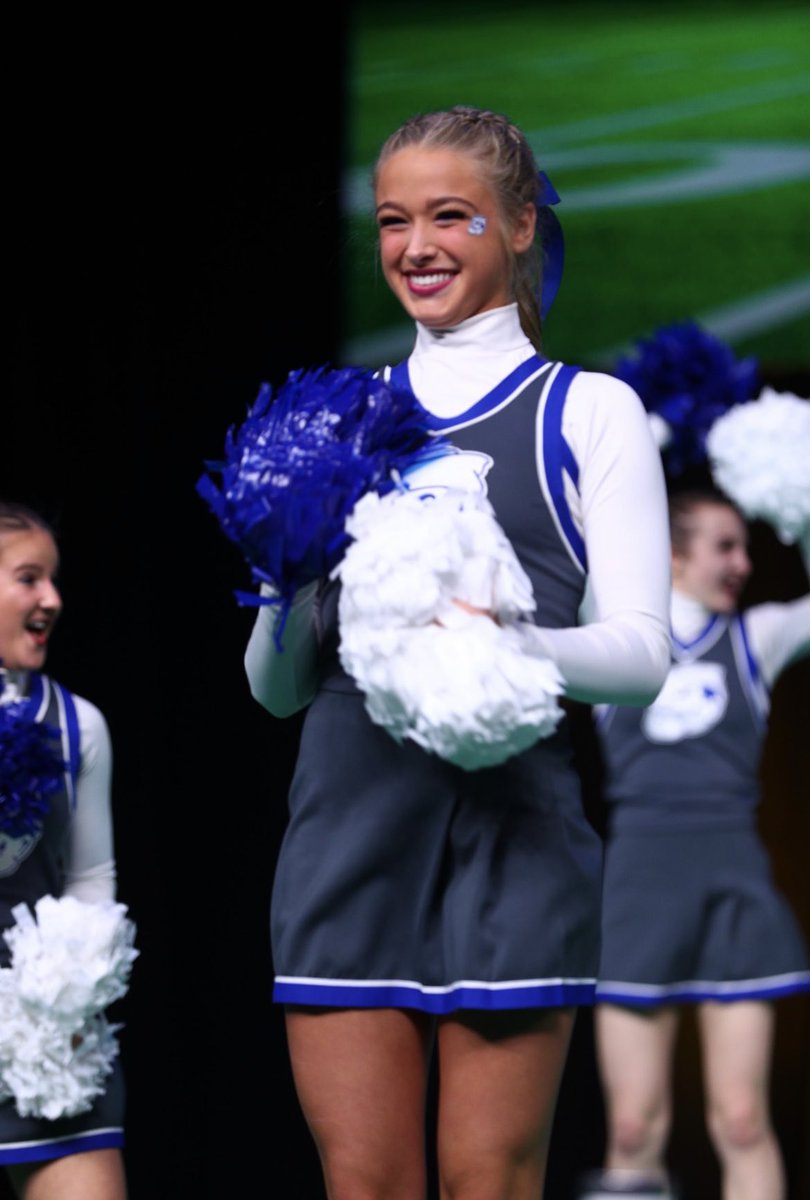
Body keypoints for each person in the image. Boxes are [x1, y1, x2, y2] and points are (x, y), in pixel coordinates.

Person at [244, 106, 671, 1200]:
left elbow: (640, 656)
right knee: (366, 1184)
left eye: (451, 216)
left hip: (514, 839)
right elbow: (277, 691)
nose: (416, 247)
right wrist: (285, 578)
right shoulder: (336, 417)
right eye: (393, 221)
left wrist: (493, 643)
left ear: (522, 225)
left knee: (491, 1183)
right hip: (347, 839)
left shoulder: (589, 412)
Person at [589, 489, 810, 1200]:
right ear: (674, 555)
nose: (744, 564)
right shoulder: (612, 635)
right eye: (725, 546)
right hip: (636, 898)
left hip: (733, 894)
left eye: (747, 547)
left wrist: (801, 505)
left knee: (743, 1119)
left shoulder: (757, 639)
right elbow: (578, 546)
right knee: (631, 1127)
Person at [0, 502, 127, 1200]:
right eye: (28, 578)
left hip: (44, 1051)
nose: (52, 598)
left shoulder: (82, 727)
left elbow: (91, 882)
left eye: (52, 579)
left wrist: (72, 1008)